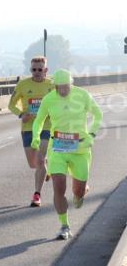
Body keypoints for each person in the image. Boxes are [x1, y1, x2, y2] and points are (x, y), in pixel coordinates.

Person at [31, 69, 103, 240]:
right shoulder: (49, 99)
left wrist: (91, 135)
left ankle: (80, 192)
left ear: (71, 84)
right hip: (58, 149)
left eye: (66, 87)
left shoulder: (83, 95)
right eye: (59, 87)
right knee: (59, 187)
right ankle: (64, 226)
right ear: (55, 86)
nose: (63, 90)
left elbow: (98, 115)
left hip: (80, 149)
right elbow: (39, 120)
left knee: (78, 191)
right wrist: (35, 136)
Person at [8, 56, 54, 207]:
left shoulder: (52, 85)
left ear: (45, 70)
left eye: (40, 69)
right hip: (28, 128)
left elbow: (61, 102)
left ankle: (37, 195)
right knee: (33, 164)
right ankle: (46, 167)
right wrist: (22, 114)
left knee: (40, 161)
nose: (36, 72)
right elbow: (11, 105)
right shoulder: (23, 84)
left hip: (46, 126)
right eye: (33, 69)